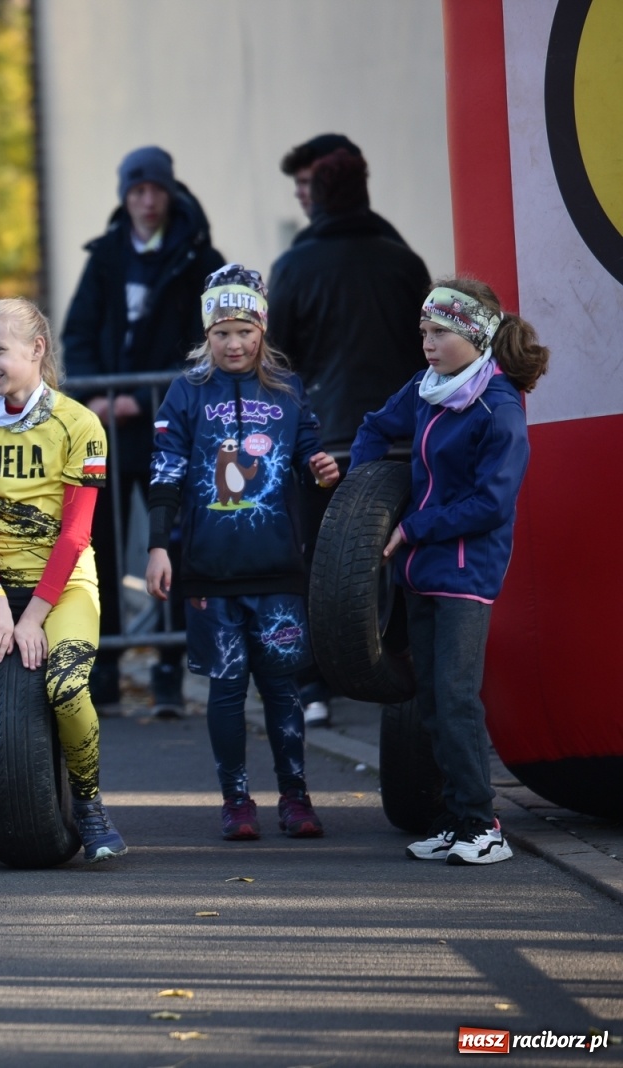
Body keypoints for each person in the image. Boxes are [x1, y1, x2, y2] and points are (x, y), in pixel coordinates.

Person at [350, 279, 548, 866]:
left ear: (474, 335)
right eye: (423, 333)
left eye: (440, 333)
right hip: (421, 572)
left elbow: (492, 503)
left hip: (465, 575)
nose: (428, 345)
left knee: (458, 699)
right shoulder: (424, 387)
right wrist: (364, 507)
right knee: (433, 702)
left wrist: (413, 527)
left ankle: (483, 825)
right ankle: (454, 817)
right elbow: (372, 429)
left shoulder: (500, 408)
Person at [0, 297, 127, 870]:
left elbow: (74, 535)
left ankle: (89, 809)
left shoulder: (80, 423)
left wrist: (34, 615)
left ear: (37, 349)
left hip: (64, 587)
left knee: (67, 687)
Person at [143, 264, 338, 841]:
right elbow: (166, 473)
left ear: (262, 330)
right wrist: (159, 547)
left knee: (282, 689)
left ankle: (296, 796)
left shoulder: (288, 390)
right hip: (209, 575)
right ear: (207, 334)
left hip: (278, 572)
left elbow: (310, 454)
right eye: (222, 332)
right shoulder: (186, 392)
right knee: (227, 690)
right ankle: (236, 800)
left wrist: (321, 468)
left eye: (245, 330)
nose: (234, 343)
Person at [268, 145, 432, 726]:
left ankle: (314, 685)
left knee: (320, 559)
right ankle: (410, 674)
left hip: (329, 441)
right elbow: (428, 350)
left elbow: (279, 357)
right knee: (407, 555)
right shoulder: (404, 263)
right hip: (406, 441)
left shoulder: (294, 267)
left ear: (319, 197)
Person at [60, 145, 224, 715]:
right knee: (95, 548)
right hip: (105, 430)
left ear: (170, 193)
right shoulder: (106, 256)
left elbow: (210, 343)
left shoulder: (199, 258)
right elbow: (77, 333)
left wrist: (146, 395)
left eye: (155, 190)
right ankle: (101, 669)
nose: (147, 201)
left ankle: (168, 674)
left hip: (168, 428)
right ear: (124, 196)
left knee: (170, 544)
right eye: (137, 191)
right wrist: (97, 396)